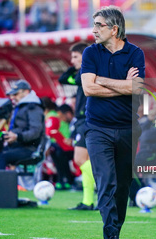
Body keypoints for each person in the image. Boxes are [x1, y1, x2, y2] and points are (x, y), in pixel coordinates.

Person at [81, 6, 145, 239]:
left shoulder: (135, 53)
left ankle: (115, 233)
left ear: (114, 29)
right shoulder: (90, 53)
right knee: (106, 181)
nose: (94, 30)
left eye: (99, 25)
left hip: (128, 128)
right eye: (94, 24)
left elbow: (137, 89)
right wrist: (123, 85)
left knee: (123, 185)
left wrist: (102, 79)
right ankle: (110, 237)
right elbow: (88, 88)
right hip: (97, 129)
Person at [58, 42, 96, 210]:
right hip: (85, 120)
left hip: (86, 120)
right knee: (85, 160)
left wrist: (78, 67)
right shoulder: (82, 72)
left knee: (79, 160)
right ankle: (88, 201)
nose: (72, 60)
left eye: (75, 56)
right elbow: (63, 79)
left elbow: (64, 79)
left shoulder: (86, 72)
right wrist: (74, 67)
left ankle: (109, 180)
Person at [0, 80, 45, 170]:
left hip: (29, 148)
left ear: (26, 92)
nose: (13, 97)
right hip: (15, 146)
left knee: (2, 156)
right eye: (12, 95)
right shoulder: (20, 107)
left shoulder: (33, 107)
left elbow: (35, 131)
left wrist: (18, 136)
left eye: (15, 94)